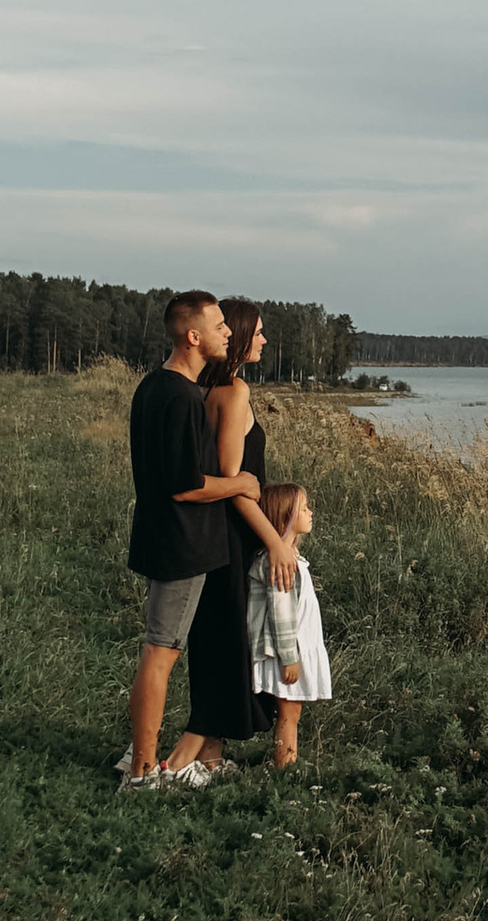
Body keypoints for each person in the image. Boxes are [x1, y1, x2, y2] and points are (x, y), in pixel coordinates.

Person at [122, 292, 292, 790]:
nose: (229, 333)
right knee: (162, 651)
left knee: (174, 648)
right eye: (220, 326)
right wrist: (241, 485)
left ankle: (180, 759)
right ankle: (142, 772)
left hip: (176, 538)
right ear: (194, 335)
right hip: (183, 542)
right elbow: (187, 484)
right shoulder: (179, 395)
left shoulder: (160, 388)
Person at [184, 296, 275, 773]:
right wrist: (277, 543)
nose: (263, 339)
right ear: (238, 337)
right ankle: (198, 756)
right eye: (257, 332)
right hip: (233, 535)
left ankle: (209, 754)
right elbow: (235, 482)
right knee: (230, 639)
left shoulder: (202, 388)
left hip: (212, 535)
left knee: (219, 638)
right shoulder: (234, 392)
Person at [247, 481, 332, 767]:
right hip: (285, 651)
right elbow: (280, 614)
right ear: (285, 517)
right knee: (289, 712)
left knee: (291, 710)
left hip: (295, 648)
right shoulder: (280, 562)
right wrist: (289, 658)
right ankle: (286, 767)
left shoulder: (291, 558)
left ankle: (287, 761)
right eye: (304, 508)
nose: (311, 513)